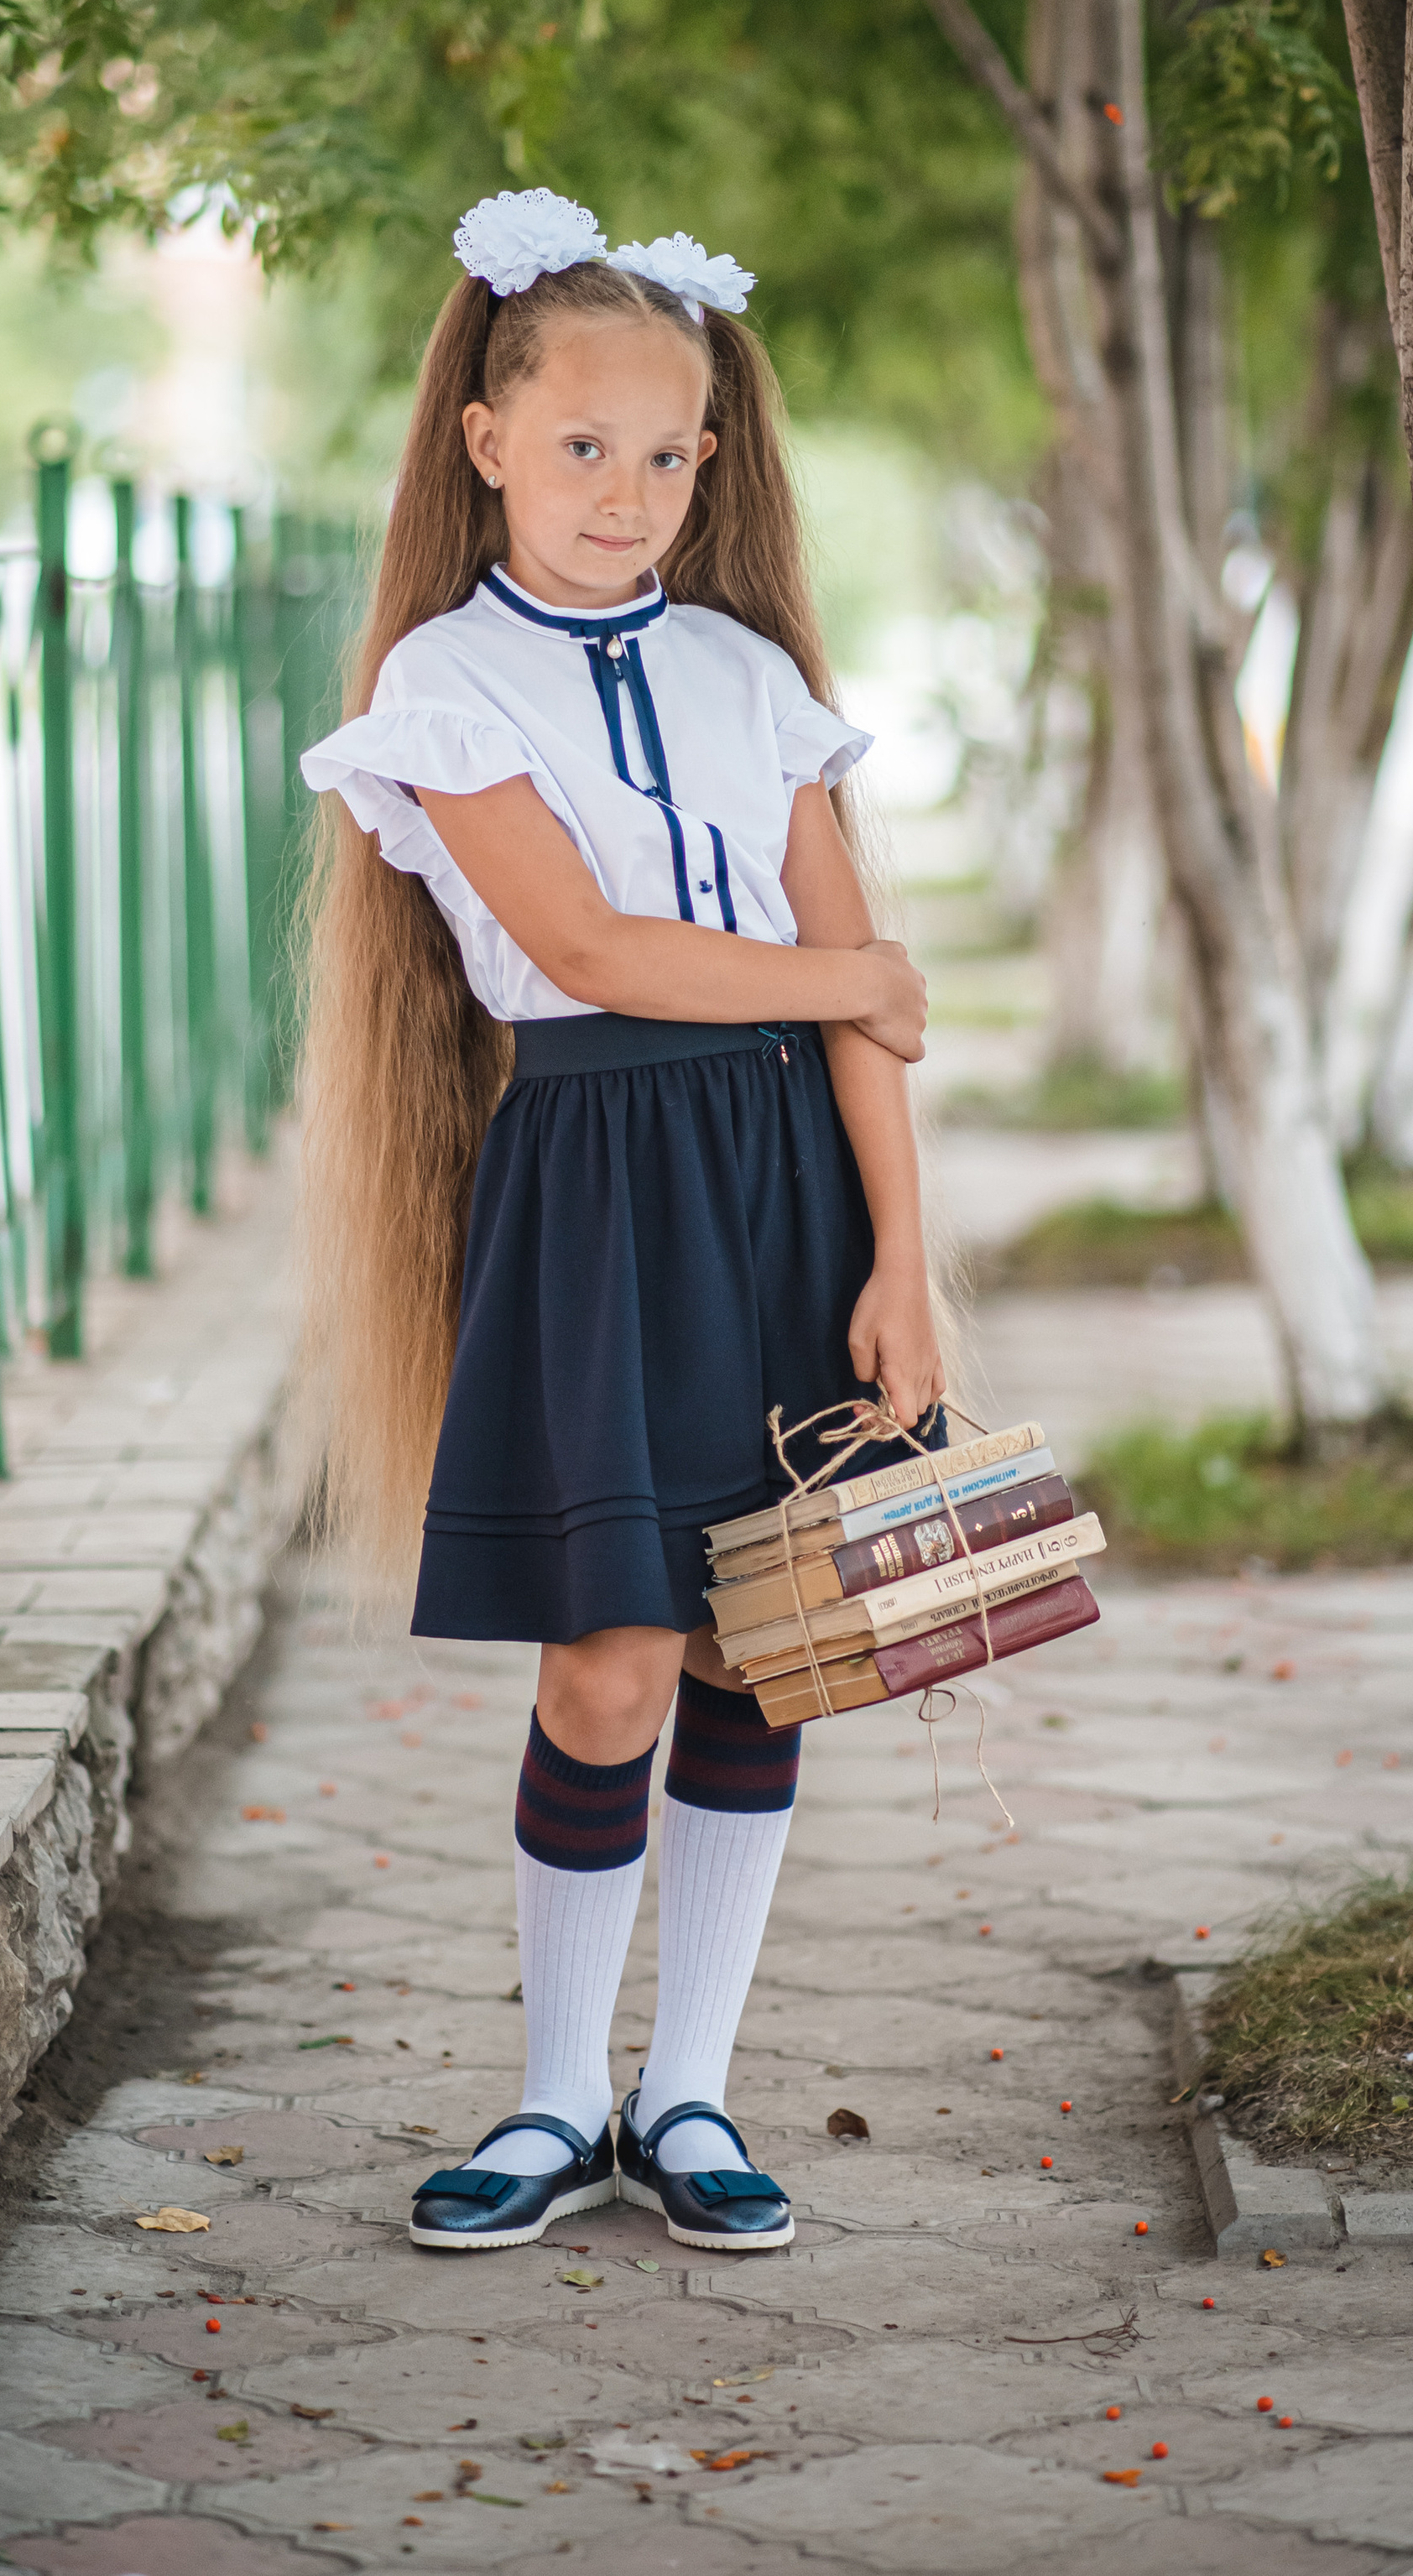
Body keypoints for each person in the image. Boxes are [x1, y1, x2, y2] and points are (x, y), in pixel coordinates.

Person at [297, 186, 944, 2256]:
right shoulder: (442, 680)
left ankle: (688, 2099)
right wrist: (849, 975)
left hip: (787, 1183)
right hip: (593, 1179)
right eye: (583, 445)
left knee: (764, 1653)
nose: (629, 492)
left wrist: (901, 1267)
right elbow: (588, 945)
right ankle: (552, 2094)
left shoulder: (753, 679)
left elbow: (868, 1019)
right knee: (607, 1659)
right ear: (485, 436)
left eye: (669, 455)